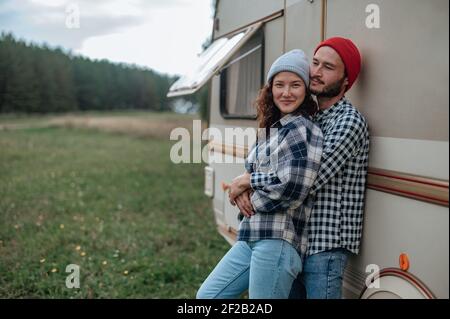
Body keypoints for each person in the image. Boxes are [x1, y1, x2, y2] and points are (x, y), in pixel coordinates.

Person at [196, 49, 323, 299]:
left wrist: (247, 185)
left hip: (277, 240)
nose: (286, 92)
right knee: (208, 297)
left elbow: (291, 189)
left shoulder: (302, 129)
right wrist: (243, 186)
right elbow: (250, 174)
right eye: (279, 85)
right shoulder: (271, 129)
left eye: (295, 85)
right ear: (270, 89)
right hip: (251, 234)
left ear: (305, 90)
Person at [289, 37, 370, 299]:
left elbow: (307, 181)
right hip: (295, 241)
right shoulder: (308, 117)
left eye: (328, 67)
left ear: (346, 80)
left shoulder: (350, 121)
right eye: (315, 63)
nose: (317, 72)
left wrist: (248, 182)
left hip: (325, 248)